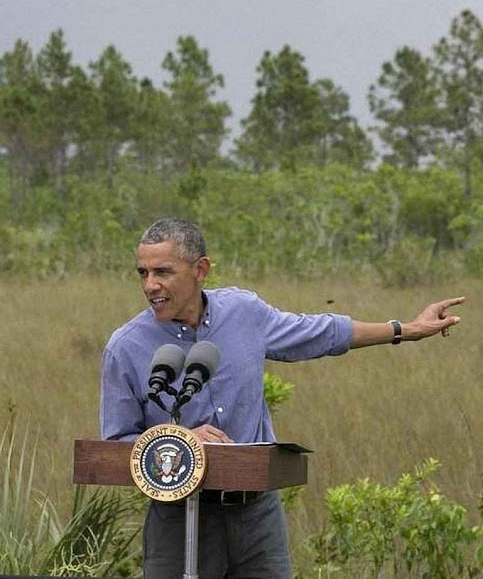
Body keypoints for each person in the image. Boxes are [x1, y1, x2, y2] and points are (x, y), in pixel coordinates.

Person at [100, 217, 464, 579]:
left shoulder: (243, 311)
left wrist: (406, 330)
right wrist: (180, 442)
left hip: (257, 515)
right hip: (179, 519)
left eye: (162, 271)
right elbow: (115, 446)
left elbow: (318, 333)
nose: (151, 285)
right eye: (142, 273)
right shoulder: (126, 347)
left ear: (201, 269)